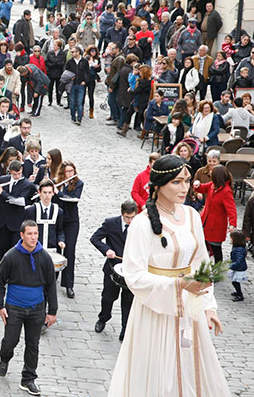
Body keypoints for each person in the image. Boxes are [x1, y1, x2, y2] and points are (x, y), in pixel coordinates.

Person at [107, 155, 230, 396]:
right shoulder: (141, 225)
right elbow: (135, 276)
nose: (184, 188)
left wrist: (208, 306)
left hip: (190, 310)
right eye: (176, 182)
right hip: (155, 313)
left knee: (191, 367)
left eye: (186, 181)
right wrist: (180, 284)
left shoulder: (192, 216)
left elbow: (201, 264)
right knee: (160, 373)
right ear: (159, 185)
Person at [0, 220, 57, 396]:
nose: (33, 237)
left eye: (35, 234)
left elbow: (51, 285)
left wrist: (52, 311)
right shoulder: (11, 256)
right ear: (22, 235)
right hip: (14, 307)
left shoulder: (44, 257)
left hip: (36, 308)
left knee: (33, 344)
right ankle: (4, 357)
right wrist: (0, 305)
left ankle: (28, 378)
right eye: (29, 234)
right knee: (10, 341)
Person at [91, 200, 137, 341]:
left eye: (132, 217)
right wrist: (107, 250)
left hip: (131, 269)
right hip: (112, 267)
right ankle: (103, 317)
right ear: (122, 214)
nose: (130, 221)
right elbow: (95, 238)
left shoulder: (140, 226)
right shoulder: (110, 223)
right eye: (127, 218)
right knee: (108, 297)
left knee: (128, 301)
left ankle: (125, 328)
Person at [193, 165, 237, 265]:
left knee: (216, 248)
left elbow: (232, 210)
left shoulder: (226, 192)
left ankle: (217, 268)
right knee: (203, 245)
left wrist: (232, 224)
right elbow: (202, 188)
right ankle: (202, 264)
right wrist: (197, 185)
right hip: (205, 221)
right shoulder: (212, 185)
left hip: (216, 226)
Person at [0, 160, 35, 260]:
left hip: (16, 221)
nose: (17, 176)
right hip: (3, 220)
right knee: (2, 250)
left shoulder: (26, 184)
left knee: (14, 250)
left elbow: (20, 201)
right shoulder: (3, 179)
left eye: (19, 173)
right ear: (10, 171)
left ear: (22, 170)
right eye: (15, 174)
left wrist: (3, 193)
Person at [53, 161, 83, 298]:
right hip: (58, 219)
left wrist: (58, 193)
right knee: (56, 249)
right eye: (67, 172)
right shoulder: (56, 182)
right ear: (62, 173)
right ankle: (52, 278)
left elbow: (73, 199)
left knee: (69, 250)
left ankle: (68, 285)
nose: (70, 174)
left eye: (72, 171)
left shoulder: (78, 183)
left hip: (71, 221)